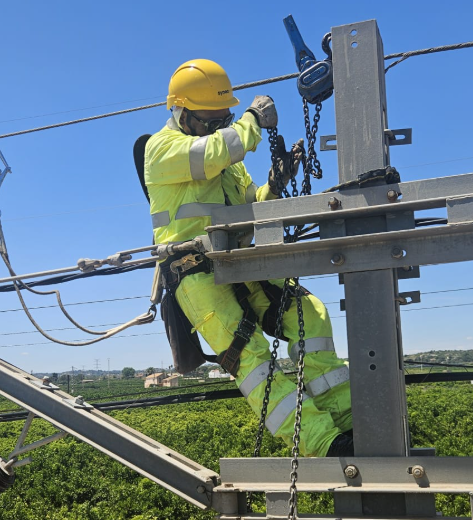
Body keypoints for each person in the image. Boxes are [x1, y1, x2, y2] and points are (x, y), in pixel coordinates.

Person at [144, 59, 354, 457]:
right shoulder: (162, 149)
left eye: (223, 119)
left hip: (240, 263)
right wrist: (252, 119)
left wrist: (274, 186)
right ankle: (322, 444)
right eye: (211, 121)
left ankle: (347, 421)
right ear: (181, 111)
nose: (218, 127)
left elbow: (249, 207)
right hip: (196, 274)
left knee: (310, 315)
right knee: (252, 356)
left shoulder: (227, 163)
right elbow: (214, 151)